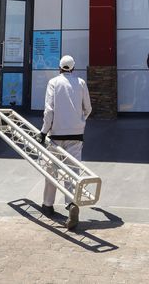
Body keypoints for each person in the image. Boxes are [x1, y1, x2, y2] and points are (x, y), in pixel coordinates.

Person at [39, 54, 91, 230]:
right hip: (76, 134)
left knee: (51, 170)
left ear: (59, 67)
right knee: (72, 172)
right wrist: (80, 121)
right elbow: (88, 108)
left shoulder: (53, 82)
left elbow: (49, 110)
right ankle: (71, 204)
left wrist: (43, 131)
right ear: (73, 68)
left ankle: (48, 205)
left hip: (56, 134)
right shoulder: (81, 83)